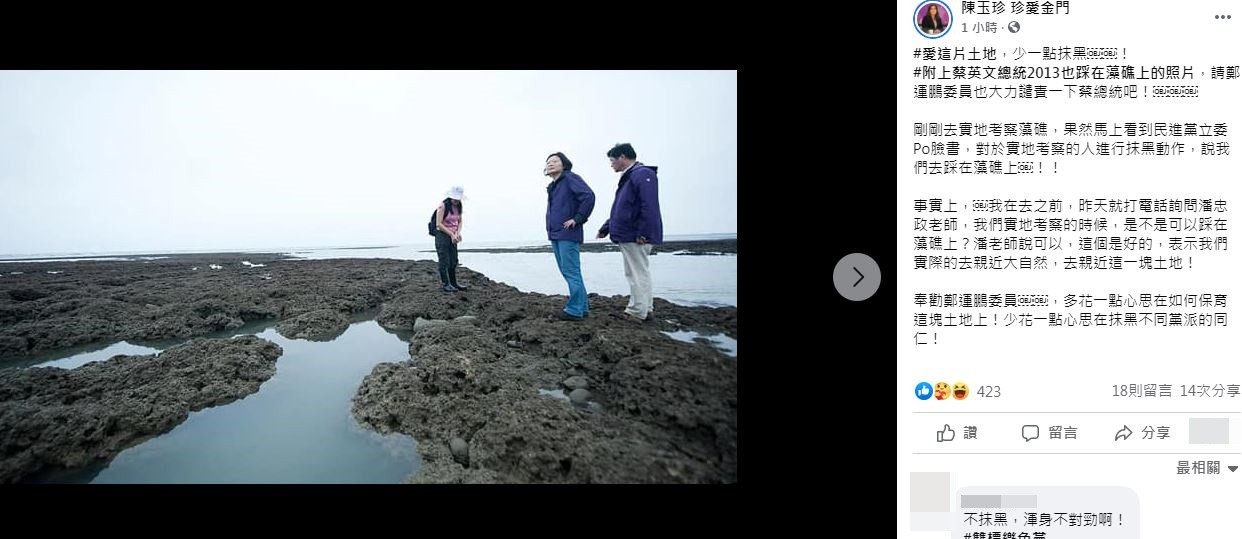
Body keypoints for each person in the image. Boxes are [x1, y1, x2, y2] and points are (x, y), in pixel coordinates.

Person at [596, 143, 662, 322]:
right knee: (639, 271)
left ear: (622, 157)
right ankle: (646, 309)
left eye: (612, 160)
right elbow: (623, 208)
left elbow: (648, 205)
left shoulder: (642, 174)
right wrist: (607, 227)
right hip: (631, 232)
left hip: (635, 234)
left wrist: (643, 232)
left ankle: (637, 311)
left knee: (635, 273)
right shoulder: (632, 176)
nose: (611, 164)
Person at [544, 152, 595, 321]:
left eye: (555, 161)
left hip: (568, 233)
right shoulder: (554, 185)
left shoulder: (570, 178)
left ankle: (574, 310)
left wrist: (578, 218)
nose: (550, 164)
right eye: (548, 162)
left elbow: (588, 196)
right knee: (569, 271)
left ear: (564, 164)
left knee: (571, 271)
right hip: (556, 234)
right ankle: (583, 308)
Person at [433, 186, 468, 292]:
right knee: (444, 260)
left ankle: (454, 283)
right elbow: (438, 224)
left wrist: (457, 233)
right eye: (454, 198)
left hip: (453, 235)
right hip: (442, 235)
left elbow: (460, 221)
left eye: (458, 198)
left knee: (453, 260)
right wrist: (451, 234)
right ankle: (446, 284)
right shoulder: (443, 206)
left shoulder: (459, 206)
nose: (456, 200)